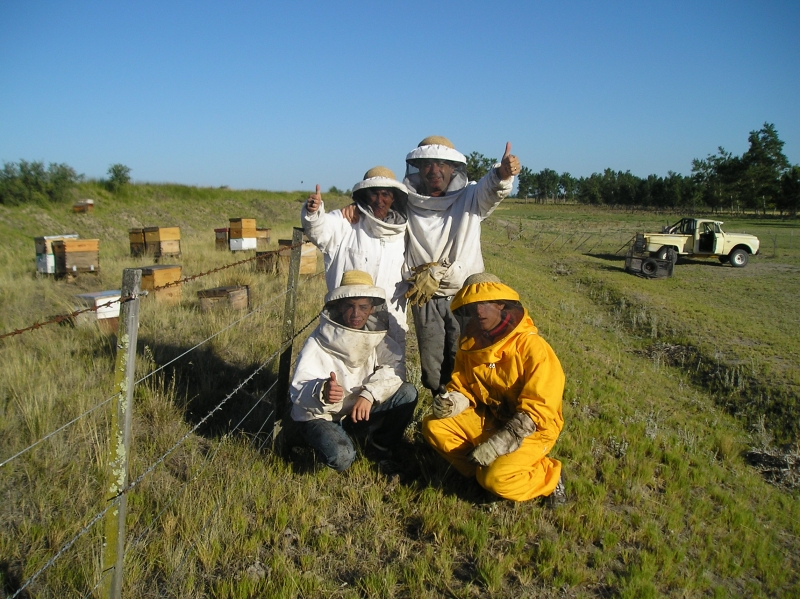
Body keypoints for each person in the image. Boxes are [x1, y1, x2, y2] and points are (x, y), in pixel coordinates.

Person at [422, 273, 566, 504]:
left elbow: (539, 411)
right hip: (493, 419)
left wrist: (499, 444)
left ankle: (549, 475)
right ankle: (477, 474)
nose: (479, 312)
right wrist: (452, 403)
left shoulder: (532, 348)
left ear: (501, 304)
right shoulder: (471, 347)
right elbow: (464, 387)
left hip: (534, 430)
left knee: (498, 479)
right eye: (472, 307)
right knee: (435, 426)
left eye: (485, 304)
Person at [402, 136, 519, 393]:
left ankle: (468, 411)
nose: (435, 171)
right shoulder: (407, 201)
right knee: (432, 366)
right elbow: (382, 216)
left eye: (442, 164)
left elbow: (493, 188)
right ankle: (440, 409)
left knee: (466, 358)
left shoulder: (471, 196)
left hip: (465, 295)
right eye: (428, 164)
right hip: (425, 296)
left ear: (453, 168)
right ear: (418, 169)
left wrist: (503, 173)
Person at [290, 270, 418, 472]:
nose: (356, 314)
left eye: (363, 307)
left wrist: (369, 394)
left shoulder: (376, 336)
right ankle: (309, 438)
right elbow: (298, 389)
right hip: (321, 416)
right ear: (340, 306)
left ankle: (379, 446)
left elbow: (395, 368)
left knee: (407, 393)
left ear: (371, 309)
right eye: (350, 306)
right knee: (342, 457)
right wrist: (321, 390)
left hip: (355, 411)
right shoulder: (318, 340)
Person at [302, 167, 409, 355]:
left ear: (394, 198)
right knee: (347, 371)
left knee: (389, 372)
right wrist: (314, 212)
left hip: (390, 318)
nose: (379, 200)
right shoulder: (345, 221)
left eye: (385, 194)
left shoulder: (404, 231)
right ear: (364, 196)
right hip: (349, 317)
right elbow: (319, 230)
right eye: (374, 194)